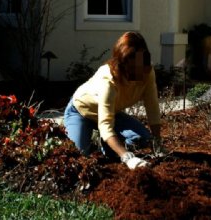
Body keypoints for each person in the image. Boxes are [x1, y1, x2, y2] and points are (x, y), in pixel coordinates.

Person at [63, 31, 163, 170]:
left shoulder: (147, 72)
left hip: (111, 112)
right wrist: (127, 156)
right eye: (131, 66)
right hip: (81, 112)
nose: (135, 71)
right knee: (78, 157)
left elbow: (152, 107)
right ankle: (100, 143)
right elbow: (105, 125)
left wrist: (157, 143)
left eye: (139, 63)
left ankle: (108, 146)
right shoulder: (108, 80)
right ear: (121, 62)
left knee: (143, 139)